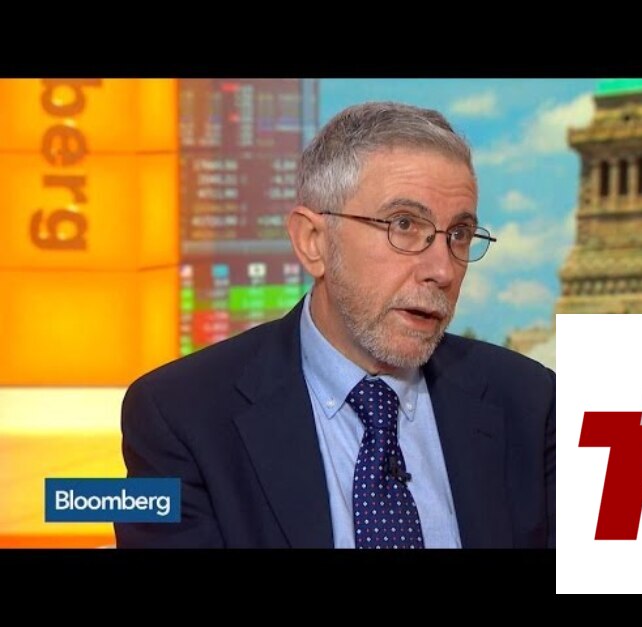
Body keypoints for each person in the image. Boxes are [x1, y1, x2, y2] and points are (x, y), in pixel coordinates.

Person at [115, 101, 555, 548]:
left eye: (458, 235)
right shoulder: (177, 415)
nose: (442, 270)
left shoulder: (533, 402)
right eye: (404, 225)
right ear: (313, 242)